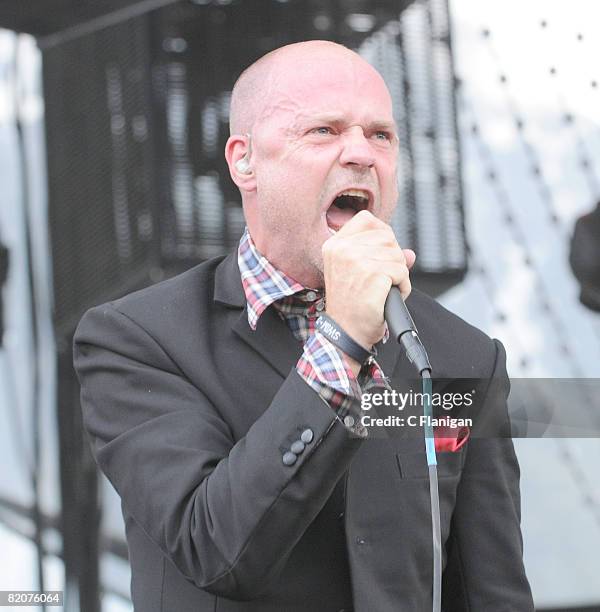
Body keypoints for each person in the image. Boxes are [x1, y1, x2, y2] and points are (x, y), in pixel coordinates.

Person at [74, 41, 534, 611]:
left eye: (381, 135)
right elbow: (211, 549)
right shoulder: (139, 340)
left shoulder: (460, 355)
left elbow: (493, 591)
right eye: (324, 130)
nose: (362, 153)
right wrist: (341, 339)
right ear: (245, 161)